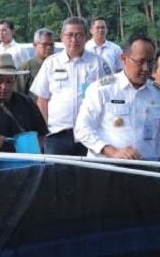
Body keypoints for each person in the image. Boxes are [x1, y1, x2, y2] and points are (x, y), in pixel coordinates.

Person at [75, 35, 160, 160]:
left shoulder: (158, 94)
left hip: (147, 170)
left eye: (150, 62)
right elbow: (82, 129)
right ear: (124, 59)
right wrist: (112, 151)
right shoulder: (102, 89)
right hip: (108, 169)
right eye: (140, 62)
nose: (146, 68)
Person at [32, 17, 110, 155]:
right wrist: (43, 133)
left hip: (90, 136)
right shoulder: (51, 63)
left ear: (86, 37)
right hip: (56, 135)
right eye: (70, 35)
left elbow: (109, 98)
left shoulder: (98, 63)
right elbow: (42, 100)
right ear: (62, 37)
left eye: (79, 35)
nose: (74, 39)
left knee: (88, 176)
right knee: (56, 176)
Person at [0, 53, 47, 154]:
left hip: (28, 163)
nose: (4, 87)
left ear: (15, 80)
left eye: (9, 81)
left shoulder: (27, 103)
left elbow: (41, 134)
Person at [20, 27, 55, 95]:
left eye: (51, 44)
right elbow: (18, 94)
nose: (49, 48)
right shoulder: (26, 67)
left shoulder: (59, 65)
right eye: (44, 44)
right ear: (35, 45)